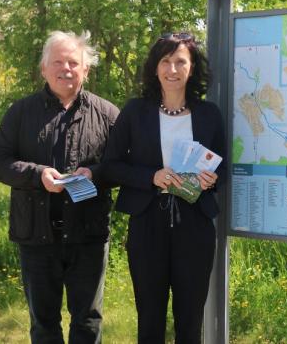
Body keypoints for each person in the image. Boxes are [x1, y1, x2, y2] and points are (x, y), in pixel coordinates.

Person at [0, 30, 120, 344]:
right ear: (44, 69)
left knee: (88, 322)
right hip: (36, 236)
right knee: (43, 324)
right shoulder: (21, 113)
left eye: (74, 62)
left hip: (88, 236)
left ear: (86, 70)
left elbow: (122, 167)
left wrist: (96, 173)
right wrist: (38, 175)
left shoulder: (108, 115)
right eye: (58, 62)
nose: (66, 69)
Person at [101, 32, 224, 344]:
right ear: (155, 68)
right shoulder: (135, 112)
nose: (172, 69)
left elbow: (223, 168)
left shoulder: (209, 114)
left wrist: (213, 179)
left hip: (195, 224)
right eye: (165, 61)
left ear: (192, 67)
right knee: (150, 318)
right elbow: (110, 166)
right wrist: (151, 177)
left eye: (180, 61)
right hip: (148, 223)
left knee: (190, 319)